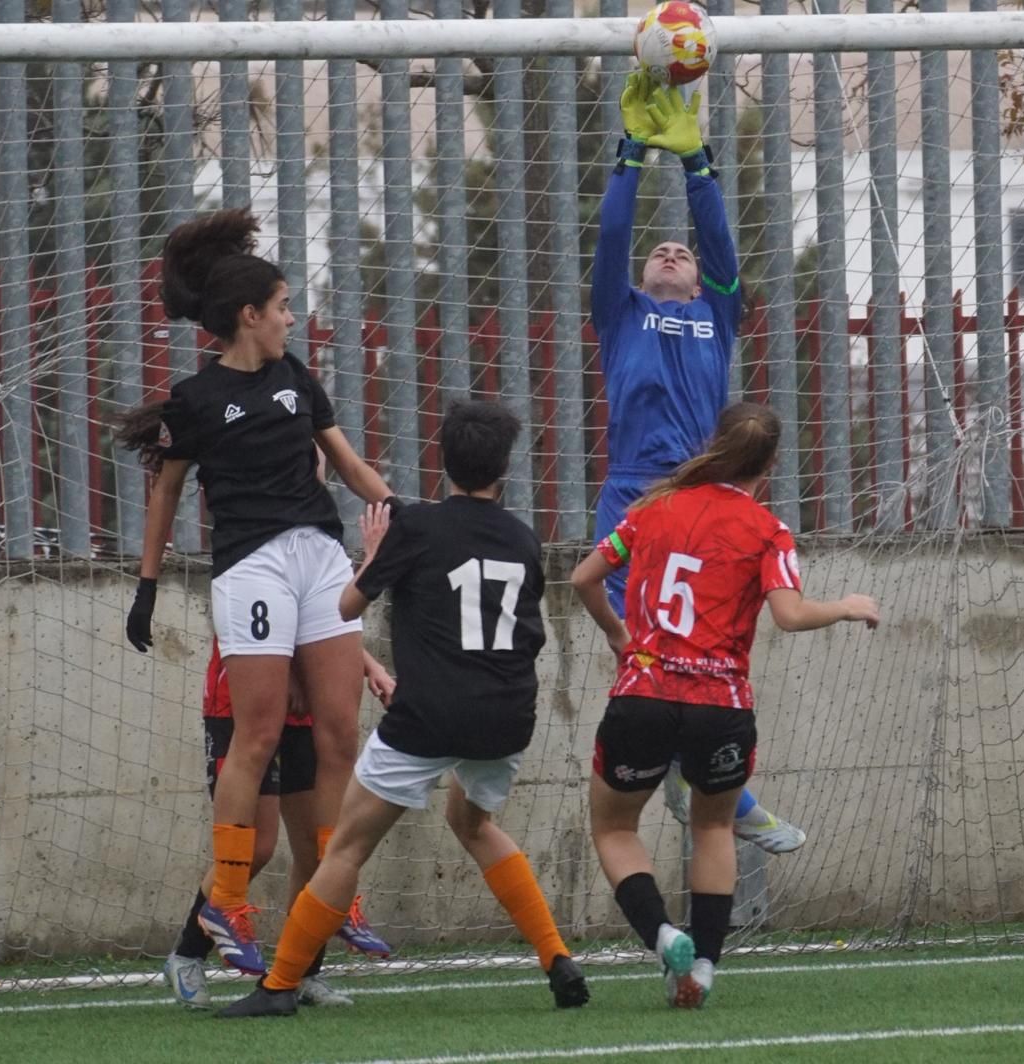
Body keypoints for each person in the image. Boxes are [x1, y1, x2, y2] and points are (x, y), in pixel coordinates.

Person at [219, 400, 589, 1018]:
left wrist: (371, 552)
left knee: (344, 850)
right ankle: (557, 959)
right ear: (505, 471)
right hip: (507, 715)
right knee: (473, 824)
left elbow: (344, 609)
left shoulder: (415, 527)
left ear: (443, 462)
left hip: (430, 714)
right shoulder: (525, 539)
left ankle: (278, 986)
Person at [120, 207, 398, 975]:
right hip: (253, 567)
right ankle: (229, 903)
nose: (289, 319)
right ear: (250, 316)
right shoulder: (194, 400)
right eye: (281, 308)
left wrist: (402, 518)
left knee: (342, 732)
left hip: (322, 558)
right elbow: (167, 497)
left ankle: (335, 895)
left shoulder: (296, 377)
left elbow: (346, 464)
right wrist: (146, 587)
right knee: (260, 734)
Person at [571, 403, 880, 1007]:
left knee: (613, 827)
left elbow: (583, 577)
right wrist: (845, 605)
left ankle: (663, 936)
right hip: (721, 705)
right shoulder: (768, 530)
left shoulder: (651, 510)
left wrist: (617, 633)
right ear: (769, 464)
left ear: (715, 445)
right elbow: (789, 616)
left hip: (645, 694)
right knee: (714, 826)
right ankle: (703, 968)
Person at [592, 71, 803, 855]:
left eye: (679, 249)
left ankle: (708, 782)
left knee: (706, 648)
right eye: (660, 251)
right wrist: (630, 159)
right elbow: (614, 237)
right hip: (635, 497)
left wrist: (697, 166)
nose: (671, 249)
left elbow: (720, 249)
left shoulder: (717, 313)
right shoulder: (621, 314)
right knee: (640, 645)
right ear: (645, 279)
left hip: (706, 500)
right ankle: (690, 781)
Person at [160, 637, 395, 1009]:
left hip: (304, 705)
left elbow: (320, 617)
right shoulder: (241, 578)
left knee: (316, 849)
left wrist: (370, 664)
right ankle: (187, 956)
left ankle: (304, 970)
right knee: (256, 847)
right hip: (244, 702)